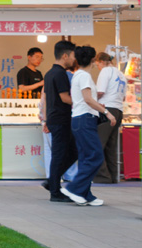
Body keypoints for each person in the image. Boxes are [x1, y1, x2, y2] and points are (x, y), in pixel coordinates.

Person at [60, 46, 115, 207]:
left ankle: (85, 194)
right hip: (85, 119)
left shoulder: (78, 75)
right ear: (93, 60)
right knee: (95, 156)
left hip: (80, 119)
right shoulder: (84, 76)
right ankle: (74, 189)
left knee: (86, 157)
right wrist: (107, 112)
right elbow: (88, 99)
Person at [42, 40, 77, 203]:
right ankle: (55, 192)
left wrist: (46, 119)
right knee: (59, 154)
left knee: (72, 151)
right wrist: (82, 102)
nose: (74, 59)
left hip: (54, 118)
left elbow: (47, 99)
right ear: (65, 56)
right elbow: (64, 98)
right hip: (61, 119)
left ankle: (52, 181)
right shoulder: (60, 74)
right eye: (73, 55)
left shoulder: (49, 73)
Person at [94, 52, 126, 183]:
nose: (98, 68)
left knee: (98, 143)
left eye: (97, 65)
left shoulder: (105, 71)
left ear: (101, 62)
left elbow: (100, 92)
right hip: (118, 110)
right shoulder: (121, 74)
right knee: (111, 146)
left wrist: (90, 100)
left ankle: (102, 176)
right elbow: (124, 97)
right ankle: (113, 176)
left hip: (107, 109)